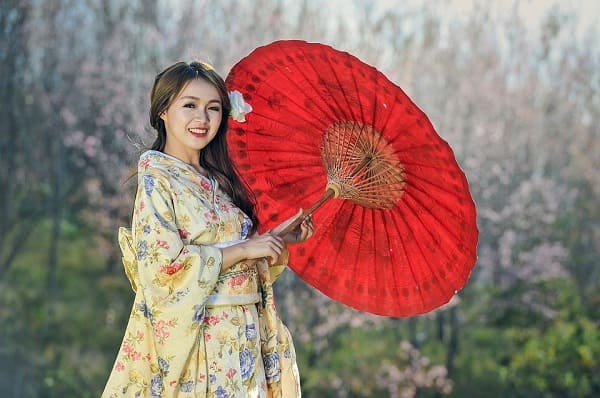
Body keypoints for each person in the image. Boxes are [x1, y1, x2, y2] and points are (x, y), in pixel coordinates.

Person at [103, 61, 314, 398]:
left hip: (244, 336)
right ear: (163, 111)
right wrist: (244, 249)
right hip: (201, 340)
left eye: (213, 108)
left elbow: (238, 261)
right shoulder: (157, 177)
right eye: (190, 105)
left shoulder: (221, 181)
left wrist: (273, 240)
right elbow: (163, 271)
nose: (202, 118)